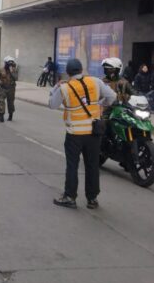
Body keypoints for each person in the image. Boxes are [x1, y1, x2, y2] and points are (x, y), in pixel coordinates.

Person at [49, 59, 116, 209]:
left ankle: (70, 197)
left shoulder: (65, 88)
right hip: (94, 132)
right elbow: (112, 96)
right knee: (92, 165)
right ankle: (92, 199)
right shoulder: (95, 82)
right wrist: (100, 105)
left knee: (72, 165)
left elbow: (52, 104)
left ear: (68, 72)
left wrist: (56, 87)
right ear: (81, 70)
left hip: (75, 134)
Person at [0, 56, 18, 122]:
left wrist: (12, 71)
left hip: (11, 88)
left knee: (10, 102)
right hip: (3, 88)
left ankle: (10, 115)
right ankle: (1, 116)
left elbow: (16, 78)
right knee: (1, 101)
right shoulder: (1, 69)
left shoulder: (13, 70)